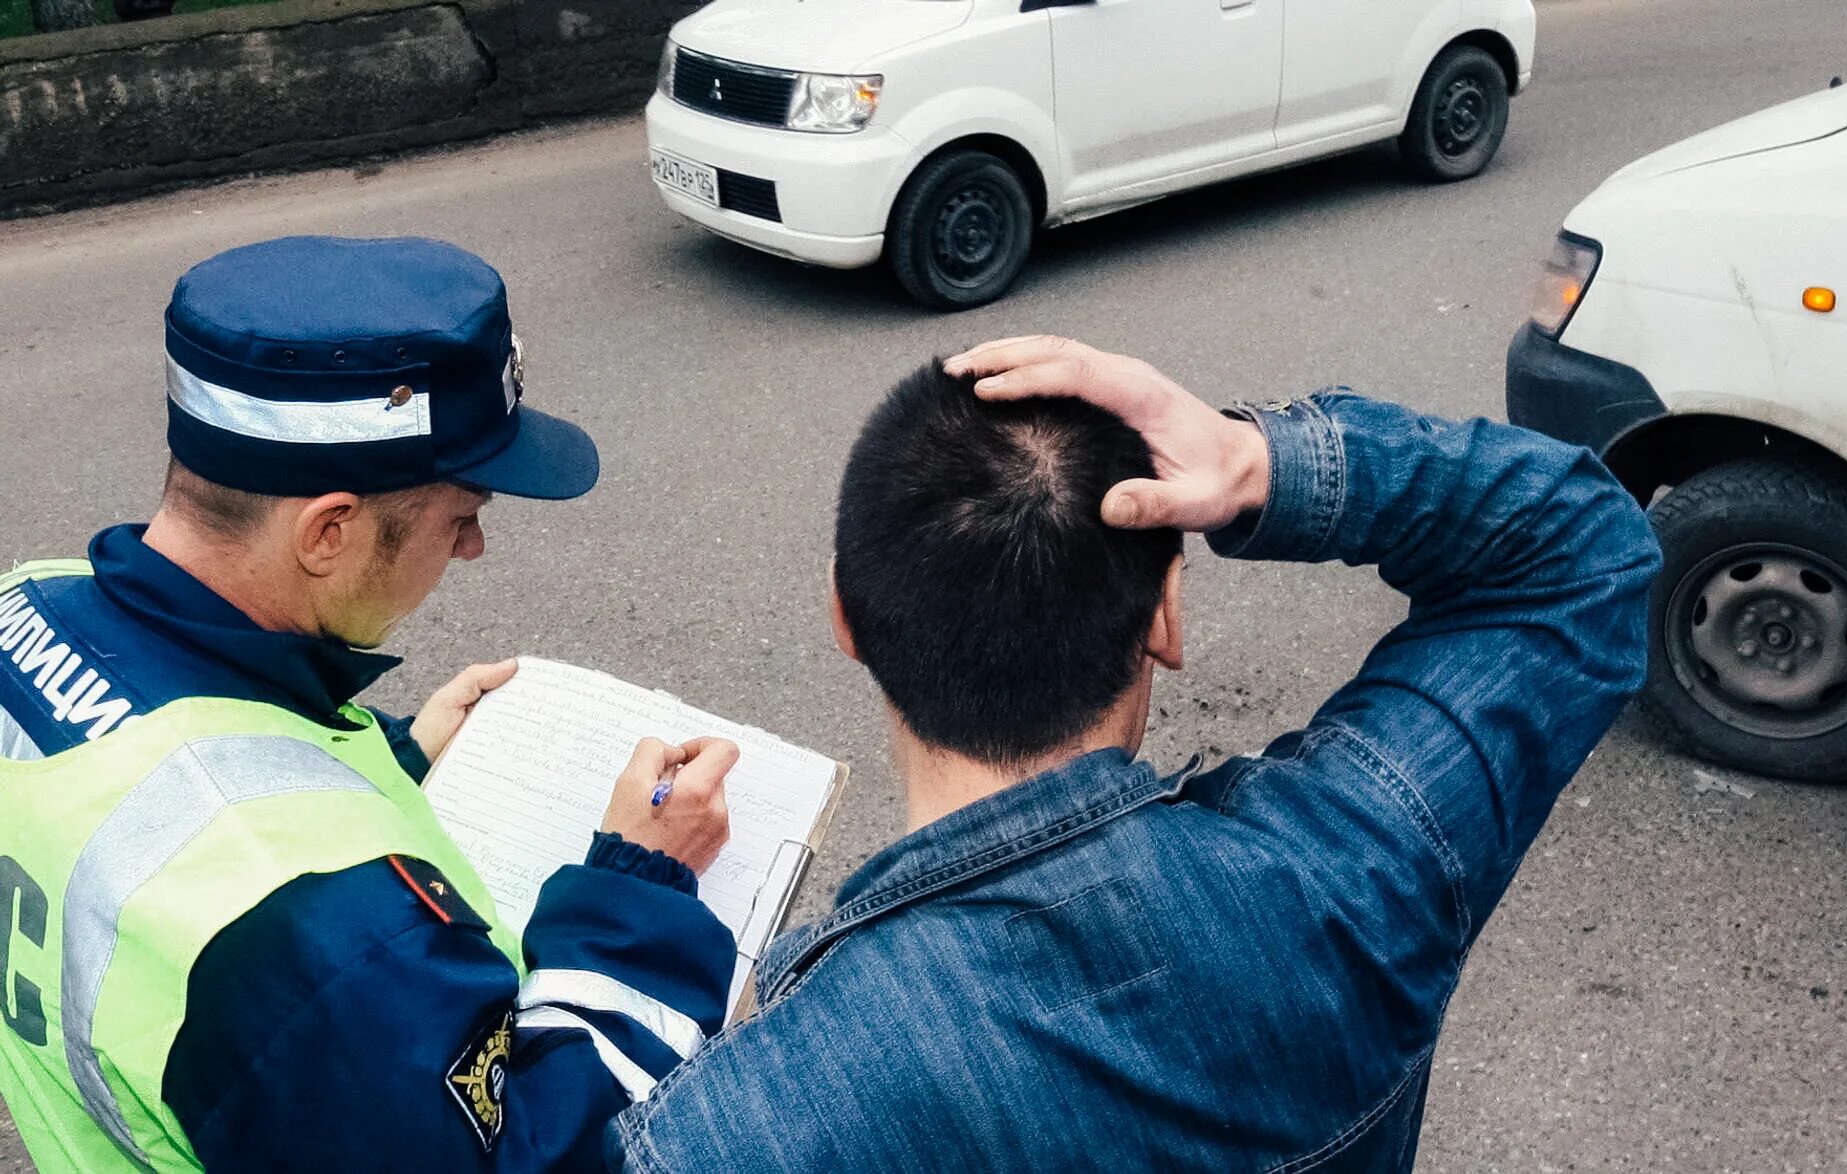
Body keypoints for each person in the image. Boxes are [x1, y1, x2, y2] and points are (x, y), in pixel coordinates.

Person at [608, 337, 1663, 1171]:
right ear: (1164, 614)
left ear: (845, 615)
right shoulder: (1358, 868)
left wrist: (615, 917)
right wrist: (1257, 461)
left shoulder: (741, 1124)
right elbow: (1581, 550)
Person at [0, 236, 737, 1172]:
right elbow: (543, 1150)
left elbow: (149, 784)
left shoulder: (27, 606)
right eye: (462, 516)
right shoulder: (321, 945)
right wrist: (642, 888)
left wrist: (394, 758)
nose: (472, 549)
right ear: (329, 529)